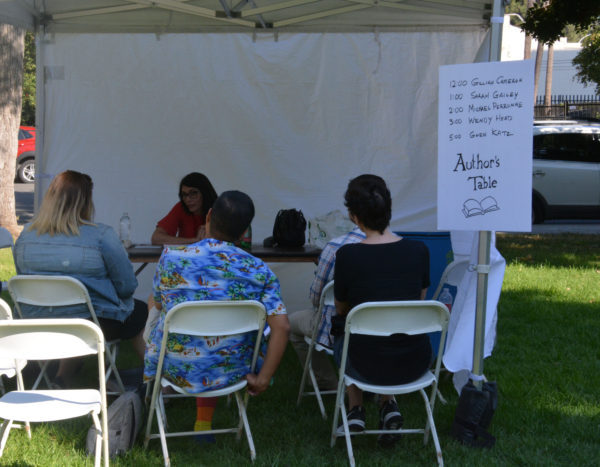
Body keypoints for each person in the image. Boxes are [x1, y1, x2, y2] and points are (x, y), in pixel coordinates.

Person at [144, 190, 290, 439]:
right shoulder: (259, 271)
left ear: (209, 216)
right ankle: (204, 422)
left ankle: (151, 400)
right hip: (233, 369)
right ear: (245, 231)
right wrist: (263, 378)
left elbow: (158, 304)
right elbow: (282, 327)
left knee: (155, 306)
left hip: (174, 367)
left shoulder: (171, 259)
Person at [14, 170, 148, 387]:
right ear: (86, 201)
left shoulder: (25, 236)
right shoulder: (101, 235)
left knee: (71, 310)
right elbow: (127, 286)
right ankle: (157, 380)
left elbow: (24, 281)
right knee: (138, 311)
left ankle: (63, 375)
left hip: (36, 324)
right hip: (87, 326)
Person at [332, 174, 431, 447]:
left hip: (364, 365)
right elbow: (417, 301)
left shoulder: (348, 256)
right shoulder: (418, 251)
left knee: (346, 329)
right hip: (415, 363)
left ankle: (355, 409)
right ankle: (388, 406)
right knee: (389, 327)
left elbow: (342, 309)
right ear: (388, 209)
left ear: (353, 216)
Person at [289, 226, 365, 390]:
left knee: (290, 323)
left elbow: (316, 299)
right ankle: (374, 386)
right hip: (381, 328)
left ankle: (326, 382)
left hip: (338, 327)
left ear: (353, 215)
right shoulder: (398, 248)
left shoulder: (335, 247)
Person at [151, 172, 218, 245]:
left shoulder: (220, 209)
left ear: (205, 193)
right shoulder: (181, 207)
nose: (188, 199)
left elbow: (229, 241)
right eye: (184, 195)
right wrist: (195, 241)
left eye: (193, 193)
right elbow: (156, 238)